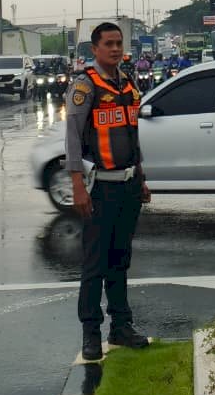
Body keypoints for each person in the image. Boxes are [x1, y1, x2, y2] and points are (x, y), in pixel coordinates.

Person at [65, 21, 151, 361]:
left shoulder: (127, 82)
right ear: (95, 48)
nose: (116, 49)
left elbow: (133, 136)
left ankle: (121, 327)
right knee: (95, 264)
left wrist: (142, 178)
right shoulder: (85, 86)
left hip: (128, 186)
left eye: (119, 43)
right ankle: (91, 333)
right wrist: (77, 185)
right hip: (99, 188)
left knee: (121, 260)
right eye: (109, 44)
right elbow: (72, 138)